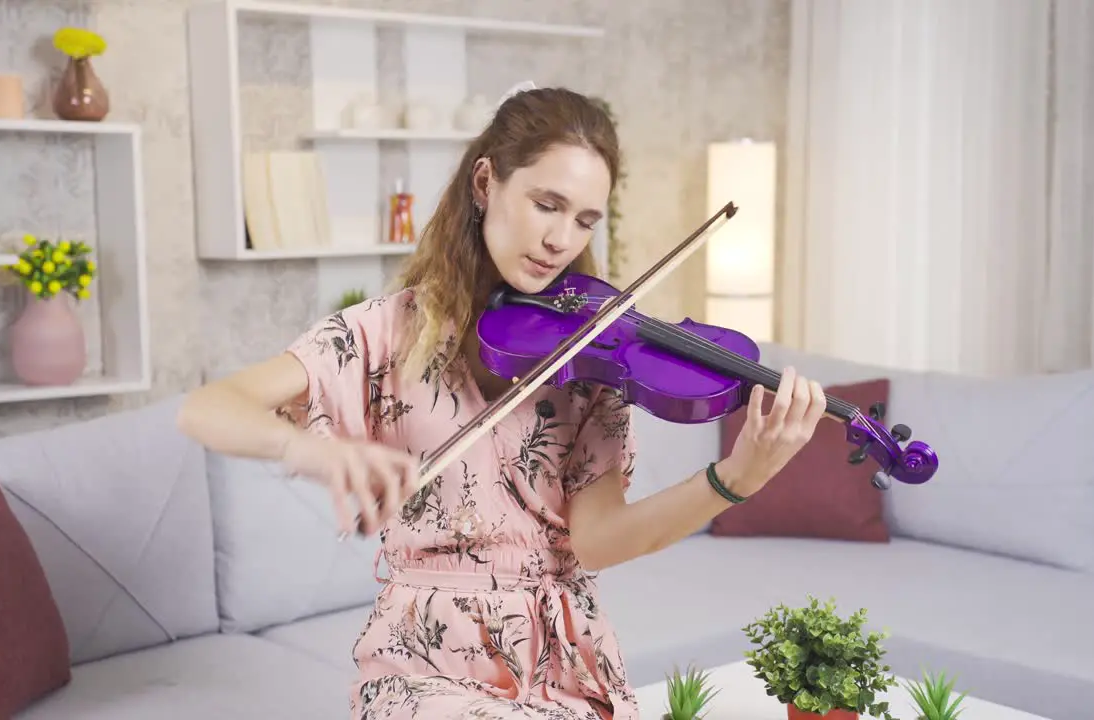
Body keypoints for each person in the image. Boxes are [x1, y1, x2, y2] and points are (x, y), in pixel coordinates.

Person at [176, 82, 827, 720]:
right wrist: (306, 448)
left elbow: (597, 542)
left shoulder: (592, 355)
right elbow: (208, 408)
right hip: (426, 667)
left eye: (584, 220)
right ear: (486, 184)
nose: (561, 240)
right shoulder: (381, 333)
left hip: (567, 667)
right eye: (547, 203)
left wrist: (738, 477)